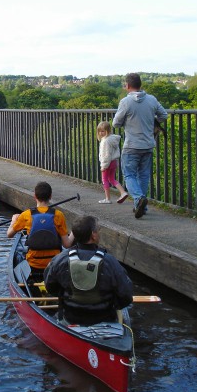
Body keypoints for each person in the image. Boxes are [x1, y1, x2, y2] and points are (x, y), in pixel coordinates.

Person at [44, 216, 133, 326]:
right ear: (93, 235)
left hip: (70, 318)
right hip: (103, 319)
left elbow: (50, 287)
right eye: (98, 230)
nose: (99, 233)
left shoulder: (59, 259)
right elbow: (126, 296)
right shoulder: (111, 262)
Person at [112, 72, 168, 219]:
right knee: (143, 175)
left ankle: (138, 199)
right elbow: (164, 115)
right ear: (140, 85)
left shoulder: (125, 102)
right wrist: (151, 121)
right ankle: (140, 206)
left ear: (127, 85)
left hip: (131, 145)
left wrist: (128, 122)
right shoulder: (152, 100)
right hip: (148, 144)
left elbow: (115, 123)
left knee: (129, 174)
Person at [6, 182, 72, 279]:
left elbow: (9, 234)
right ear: (50, 196)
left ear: (35, 196)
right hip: (54, 264)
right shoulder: (59, 215)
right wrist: (74, 231)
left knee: (18, 257)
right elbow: (67, 244)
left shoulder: (26, 215)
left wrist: (13, 221)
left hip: (33, 264)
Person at [96, 121, 128, 204]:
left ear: (108, 131)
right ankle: (123, 192)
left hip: (107, 163)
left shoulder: (105, 142)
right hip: (114, 162)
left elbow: (106, 155)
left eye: (103, 131)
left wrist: (104, 166)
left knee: (105, 180)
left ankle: (107, 198)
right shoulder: (112, 139)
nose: (101, 133)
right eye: (99, 131)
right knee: (112, 179)